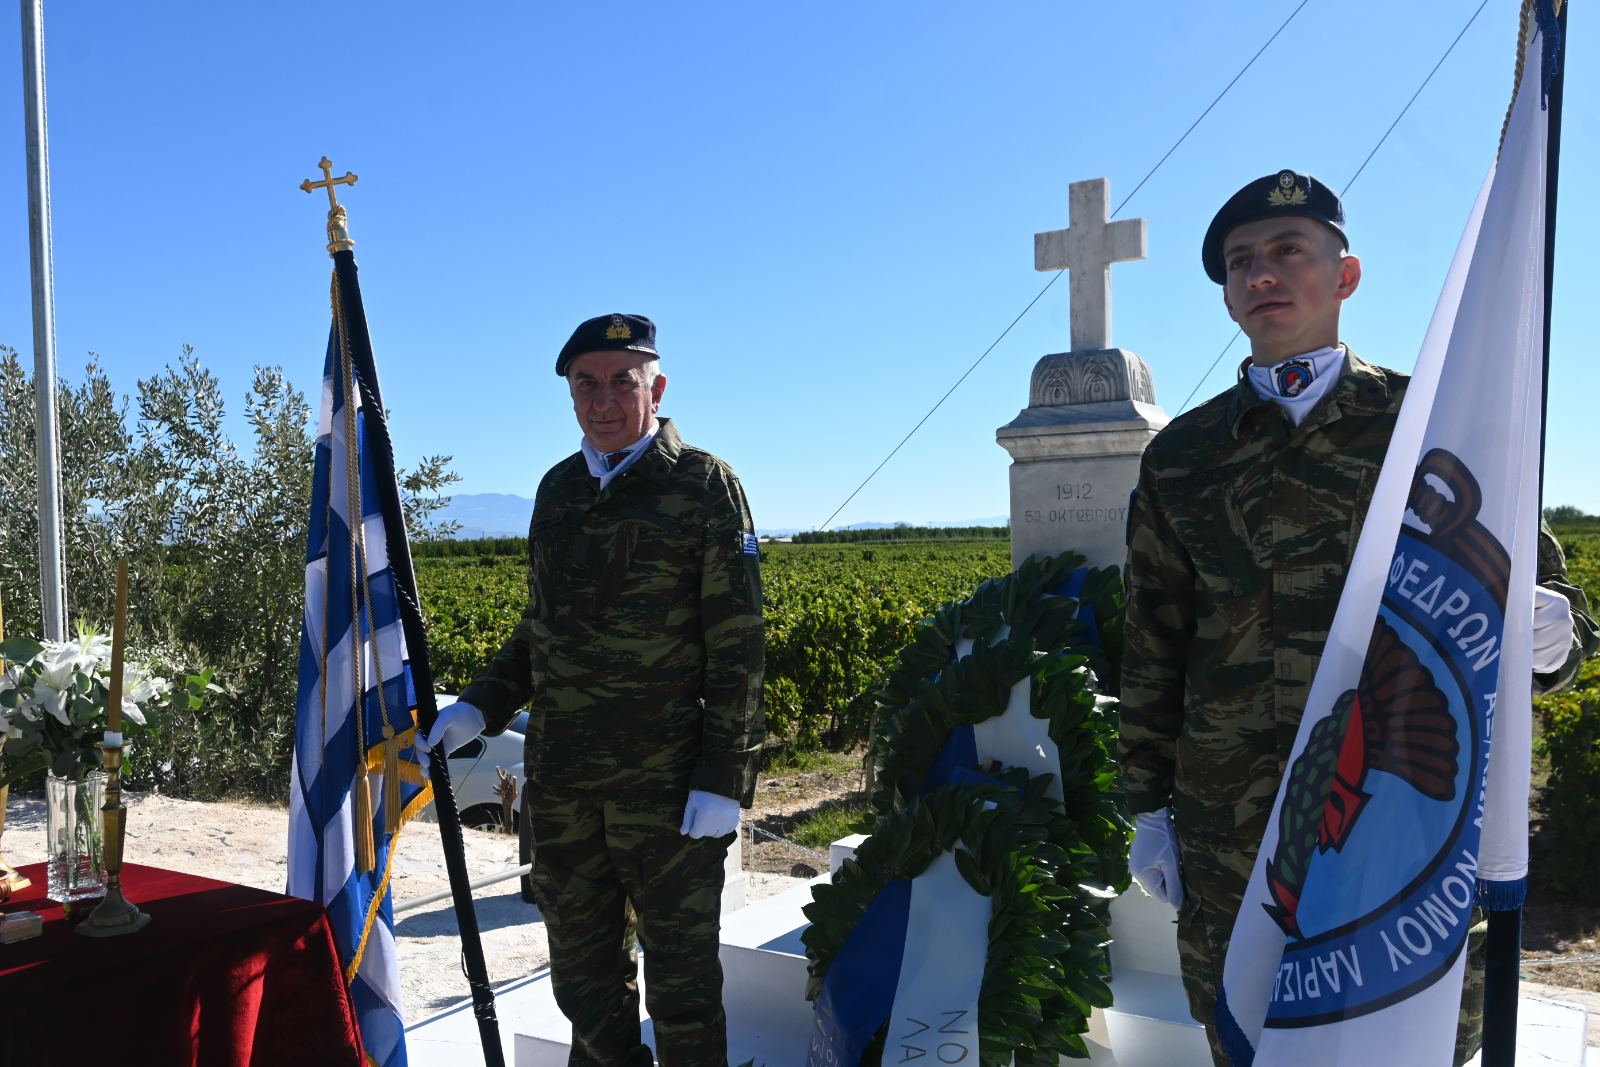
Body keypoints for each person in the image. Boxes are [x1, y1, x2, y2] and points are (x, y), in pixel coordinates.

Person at [1117, 170, 1599, 1067]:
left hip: (1403, 821)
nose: (1262, 273)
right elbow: (1154, 643)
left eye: (1287, 250)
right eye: (1240, 261)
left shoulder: (1433, 424)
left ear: (1346, 275)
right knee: (1249, 1039)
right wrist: (1144, 804)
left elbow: (1539, 598)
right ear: (1226, 295)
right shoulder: (1183, 457)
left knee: (1405, 1043)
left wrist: (1551, 636)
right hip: (1238, 831)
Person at [417, 312, 765, 1067]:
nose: (603, 400)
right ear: (570, 393)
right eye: (586, 384)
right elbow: (538, 629)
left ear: (656, 390)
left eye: (621, 382)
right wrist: (478, 706)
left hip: (666, 790)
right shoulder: (559, 491)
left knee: (682, 989)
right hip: (566, 786)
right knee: (583, 984)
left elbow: (738, 645)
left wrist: (724, 778)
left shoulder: (703, 485)